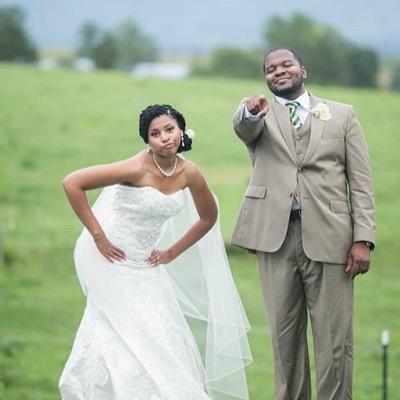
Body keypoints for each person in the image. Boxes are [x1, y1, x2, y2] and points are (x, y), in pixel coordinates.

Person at [59, 104, 252, 400]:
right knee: (131, 327)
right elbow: (72, 183)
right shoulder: (135, 168)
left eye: (169, 129)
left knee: (158, 328)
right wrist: (98, 236)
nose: (164, 137)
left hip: (145, 263)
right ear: (147, 141)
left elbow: (208, 217)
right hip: (111, 259)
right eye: (155, 133)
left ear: (181, 131)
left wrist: (172, 252)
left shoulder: (189, 173)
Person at [231, 47, 375, 400]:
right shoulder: (259, 115)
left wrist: (363, 239)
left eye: (286, 65)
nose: (278, 71)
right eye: (270, 68)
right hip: (275, 240)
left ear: (303, 70)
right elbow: (242, 127)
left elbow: (361, 181)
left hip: (332, 239)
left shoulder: (342, 115)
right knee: (284, 340)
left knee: (334, 341)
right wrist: (249, 112)